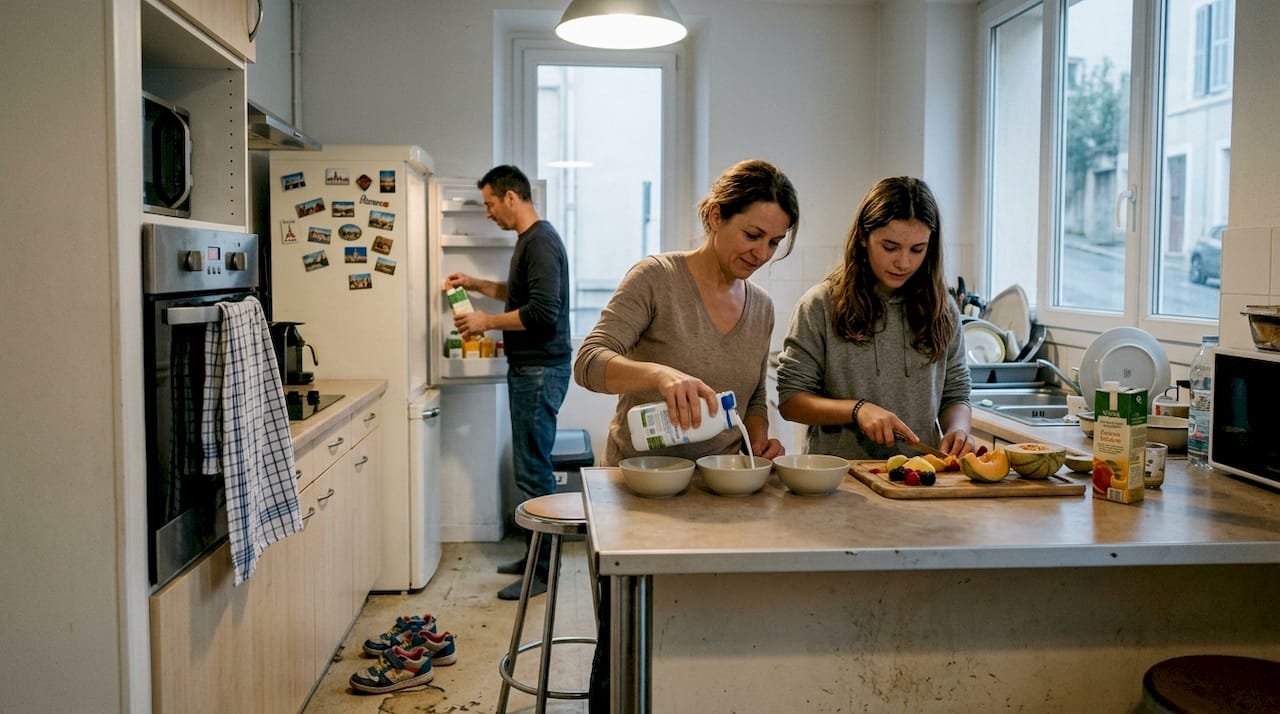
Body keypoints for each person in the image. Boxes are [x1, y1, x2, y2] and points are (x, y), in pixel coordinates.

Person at [573, 158, 799, 711]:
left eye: (774, 242)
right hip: (641, 494)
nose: (761, 254)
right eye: (752, 235)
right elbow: (588, 361)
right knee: (629, 640)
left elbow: (752, 399)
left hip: (724, 498)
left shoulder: (763, 308)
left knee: (704, 641)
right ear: (716, 216)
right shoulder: (657, 278)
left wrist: (761, 437)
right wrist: (659, 374)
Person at [442, 165, 571, 601]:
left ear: (512, 197)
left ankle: (544, 572)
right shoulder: (529, 242)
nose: (488, 213)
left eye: (490, 204)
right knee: (529, 469)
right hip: (532, 369)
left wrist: (485, 322)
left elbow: (542, 312)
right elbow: (522, 297)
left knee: (534, 473)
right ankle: (535, 558)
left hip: (540, 370)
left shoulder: (542, 242)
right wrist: (476, 284)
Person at [776, 176, 974, 460]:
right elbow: (791, 401)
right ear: (863, 237)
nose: (903, 262)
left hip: (919, 479)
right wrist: (857, 410)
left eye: (917, 249)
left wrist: (958, 429)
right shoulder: (819, 305)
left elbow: (956, 393)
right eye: (890, 247)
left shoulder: (942, 309)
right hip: (839, 484)